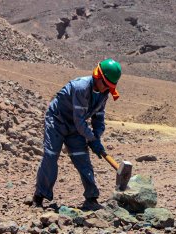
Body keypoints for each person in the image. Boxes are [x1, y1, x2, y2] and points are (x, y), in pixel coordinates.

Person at [32, 58, 122, 211]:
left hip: (75, 126)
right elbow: (80, 120)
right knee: (51, 155)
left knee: (82, 157)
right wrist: (91, 138)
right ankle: (39, 197)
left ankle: (92, 198)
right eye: (106, 85)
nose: (107, 89)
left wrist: (97, 137)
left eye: (110, 87)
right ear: (98, 77)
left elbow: (98, 117)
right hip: (57, 120)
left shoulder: (103, 93)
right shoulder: (81, 87)